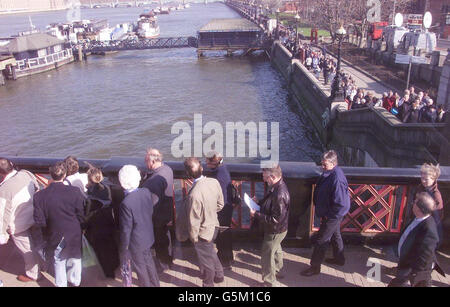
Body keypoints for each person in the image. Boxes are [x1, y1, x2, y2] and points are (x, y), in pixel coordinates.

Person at [33, 162, 85, 287]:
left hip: (53, 233)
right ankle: (75, 281)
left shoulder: (39, 196)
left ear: (51, 175)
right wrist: (82, 228)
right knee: (76, 258)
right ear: (65, 175)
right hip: (73, 232)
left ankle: (61, 284)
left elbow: (39, 221)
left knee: (58, 260)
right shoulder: (75, 191)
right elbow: (81, 214)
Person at [301, 150, 350, 277]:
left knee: (321, 240)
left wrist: (329, 215)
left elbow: (342, 203)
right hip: (332, 213)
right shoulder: (332, 172)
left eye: (325, 165)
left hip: (332, 215)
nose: (322, 167)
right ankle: (339, 259)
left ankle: (315, 267)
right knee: (335, 234)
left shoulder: (336, 179)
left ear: (333, 164)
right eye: (322, 164)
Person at [388, 192, 444, 287]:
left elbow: (425, 255)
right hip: (408, 265)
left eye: (414, 203)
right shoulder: (418, 218)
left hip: (413, 269)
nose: (412, 204)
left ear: (419, 209)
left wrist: (414, 274)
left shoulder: (429, 229)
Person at [184, 157, 224, 287]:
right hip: (215, 226)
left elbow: (193, 221)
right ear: (202, 168)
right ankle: (219, 275)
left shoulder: (193, 195)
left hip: (203, 232)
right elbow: (220, 205)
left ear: (188, 174)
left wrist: (194, 238)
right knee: (211, 252)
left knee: (206, 262)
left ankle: (208, 283)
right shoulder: (214, 182)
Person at [118, 165, 160, 287]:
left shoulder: (125, 203)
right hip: (148, 236)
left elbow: (126, 230)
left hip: (136, 242)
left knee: (141, 269)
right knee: (149, 263)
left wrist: (124, 248)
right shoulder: (145, 192)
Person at [0, 158, 40, 282]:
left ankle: (33, 274)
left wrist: (2, 235)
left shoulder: (4, 190)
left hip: (18, 225)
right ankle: (42, 264)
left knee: (27, 249)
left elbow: (3, 214)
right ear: (11, 165)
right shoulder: (26, 174)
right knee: (36, 244)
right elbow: (37, 188)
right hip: (34, 216)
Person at [250, 164, 290, 287]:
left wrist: (256, 215)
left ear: (272, 177)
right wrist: (259, 202)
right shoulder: (278, 186)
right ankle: (277, 269)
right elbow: (272, 206)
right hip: (281, 229)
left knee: (267, 255)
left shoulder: (279, 194)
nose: (264, 179)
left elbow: (275, 219)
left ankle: (269, 282)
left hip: (274, 230)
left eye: (265, 177)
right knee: (276, 249)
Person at [142, 148, 174, 273]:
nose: (145, 163)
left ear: (153, 161)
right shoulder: (168, 169)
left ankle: (163, 262)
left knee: (160, 240)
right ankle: (168, 259)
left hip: (158, 217)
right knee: (166, 237)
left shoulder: (154, 181)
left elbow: (152, 204)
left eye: (146, 160)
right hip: (167, 212)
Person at [84, 166, 119, 279]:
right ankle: (115, 264)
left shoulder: (90, 196)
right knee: (111, 244)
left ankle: (108, 272)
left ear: (89, 180)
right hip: (109, 221)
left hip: (97, 227)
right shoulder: (107, 189)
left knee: (102, 250)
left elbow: (87, 216)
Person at [205, 151, 234, 270]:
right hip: (227, 208)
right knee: (225, 234)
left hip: (223, 210)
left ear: (213, 162)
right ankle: (227, 258)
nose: (205, 163)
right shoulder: (222, 169)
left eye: (207, 161)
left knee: (223, 235)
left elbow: (219, 196)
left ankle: (225, 261)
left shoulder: (219, 175)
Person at [416, 163, 444, 246]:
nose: (423, 181)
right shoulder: (420, 188)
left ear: (433, 179)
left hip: (431, 221)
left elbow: (439, 213)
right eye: (422, 178)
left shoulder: (436, 194)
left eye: (426, 179)